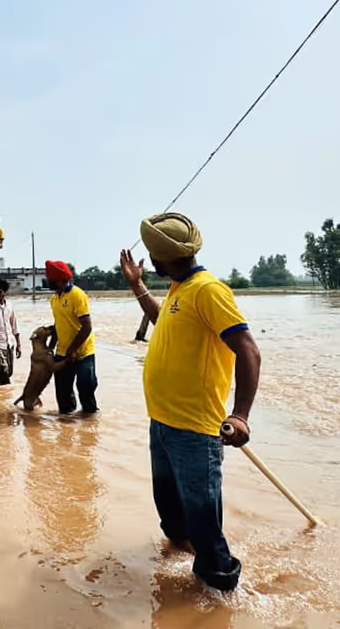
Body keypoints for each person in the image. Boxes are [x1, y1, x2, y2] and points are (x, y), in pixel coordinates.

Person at [118, 212, 262, 594]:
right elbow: (162, 319)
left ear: (163, 257)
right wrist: (137, 287)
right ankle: (182, 558)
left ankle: (220, 591)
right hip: (162, 423)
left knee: (203, 521)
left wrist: (241, 415)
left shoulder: (208, 290)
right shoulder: (179, 289)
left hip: (195, 430)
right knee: (171, 511)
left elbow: (248, 351)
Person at [42, 260, 98, 414]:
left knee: (86, 389)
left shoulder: (77, 295)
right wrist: (50, 347)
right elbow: (59, 324)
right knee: (63, 395)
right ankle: (65, 429)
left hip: (83, 352)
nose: (47, 281)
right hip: (62, 352)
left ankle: (90, 426)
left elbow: (87, 326)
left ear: (59, 280)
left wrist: (72, 349)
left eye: (49, 279)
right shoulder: (54, 299)